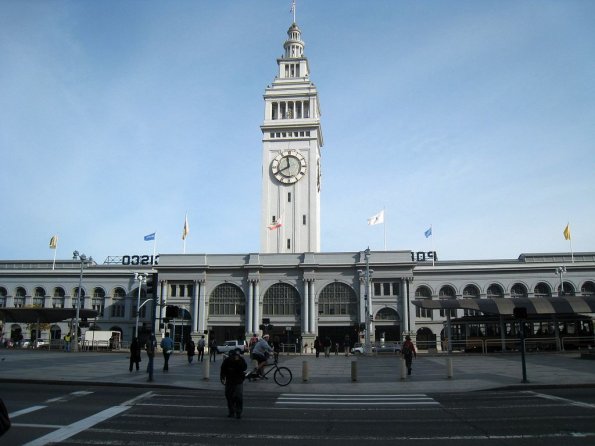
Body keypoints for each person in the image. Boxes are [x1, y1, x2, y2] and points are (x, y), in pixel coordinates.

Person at [220, 349, 247, 419]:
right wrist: (222, 378)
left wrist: (238, 361)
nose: (232, 357)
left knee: (238, 397)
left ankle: (238, 412)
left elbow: (244, 367)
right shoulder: (227, 361)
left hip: (238, 381)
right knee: (229, 396)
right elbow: (222, 369)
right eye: (231, 356)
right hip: (229, 381)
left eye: (234, 356)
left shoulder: (240, 360)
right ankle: (231, 411)